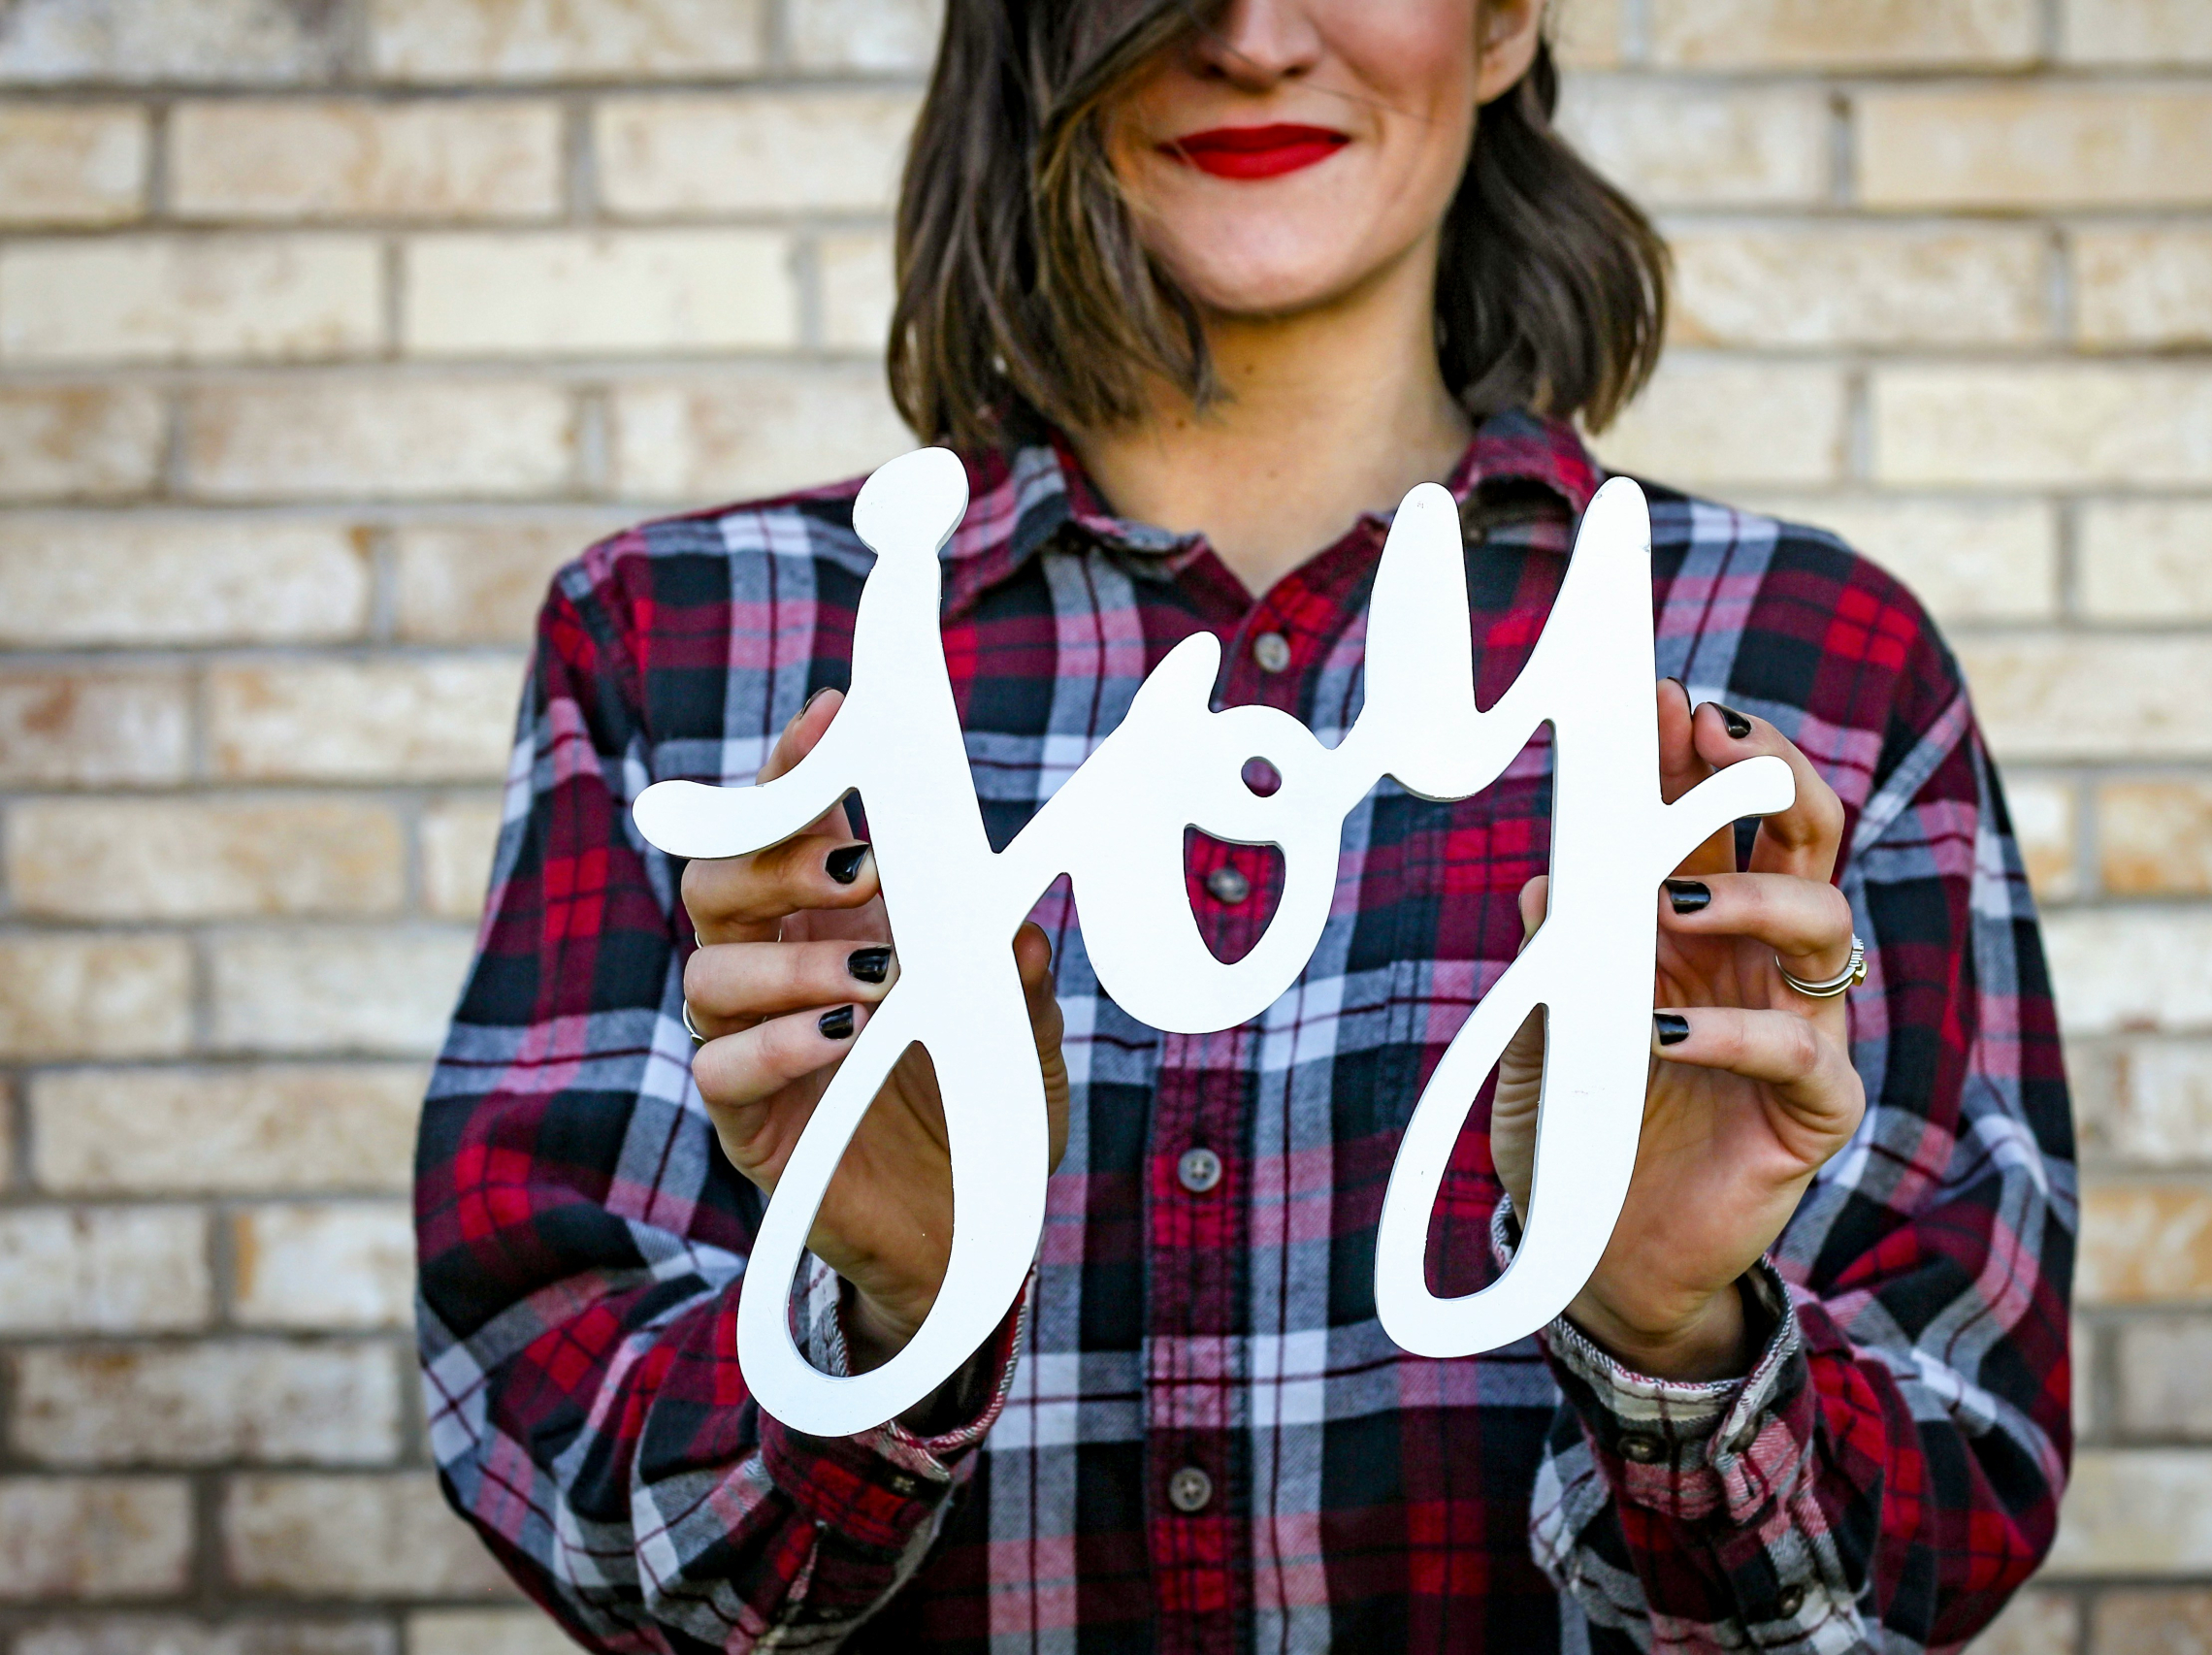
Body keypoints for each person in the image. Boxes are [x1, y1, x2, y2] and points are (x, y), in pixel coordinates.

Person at [415, 0, 2075, 1648]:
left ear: (1503, 22)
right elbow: (573, 1479)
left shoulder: (1810, 669)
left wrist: (1678, 1336)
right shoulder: (695, 647)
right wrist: (890, 1321)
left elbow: (1925, 1545)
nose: (1255, 36)